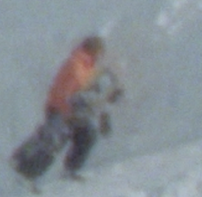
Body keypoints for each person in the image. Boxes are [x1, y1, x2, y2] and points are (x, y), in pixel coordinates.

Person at [12, 34, 121, 186]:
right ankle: (26, 172)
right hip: (61, 109)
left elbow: (91, 89)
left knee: (87, 135)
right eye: (100, 52)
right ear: (93, 50)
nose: (101, 56)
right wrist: (70, 111)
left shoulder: (87, 65)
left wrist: (109, 94)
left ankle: (70, 170)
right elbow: (69, 93)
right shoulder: (76, 64)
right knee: (53, 142)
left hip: (72, 111)